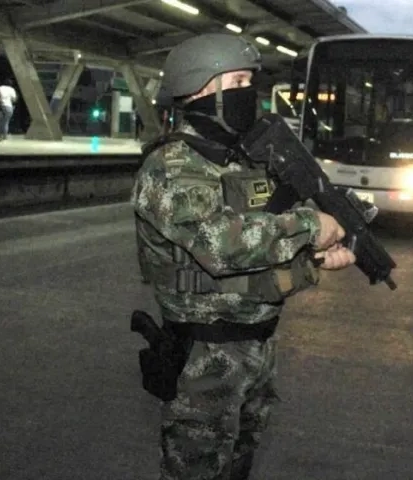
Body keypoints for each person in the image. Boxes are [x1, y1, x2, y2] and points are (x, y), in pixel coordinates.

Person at [131, 33, 356, 480]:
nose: (248, 93)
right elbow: (222, 244)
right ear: (199, 90)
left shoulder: (241, 161)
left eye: (250, 81)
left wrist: (314, 254)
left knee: (237, 465)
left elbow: (267, 240)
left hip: (256, 346)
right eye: (236, 80)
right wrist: (311, 227)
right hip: (204, 356)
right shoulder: (171, 167)